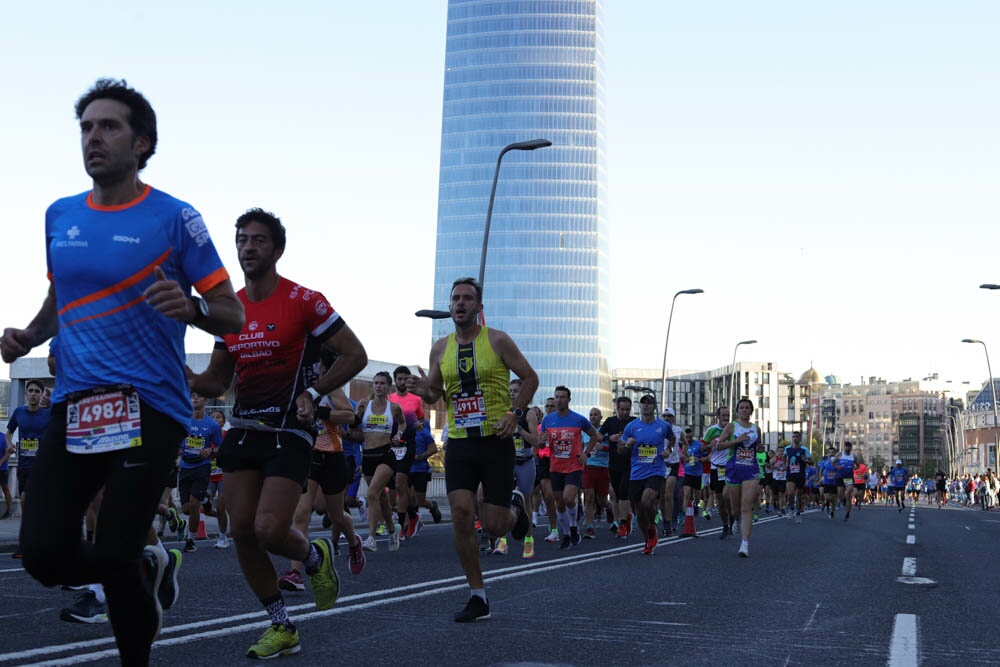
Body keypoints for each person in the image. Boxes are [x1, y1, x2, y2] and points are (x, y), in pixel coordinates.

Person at [0, 78, 245, 665]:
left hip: (150, 406)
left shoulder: (175, 218)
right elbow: (63, 294)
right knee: (40, 553)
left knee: (112, 551)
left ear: (142, 143)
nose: (93, 137)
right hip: (77, 404)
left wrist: (192, 309)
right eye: (86, 127)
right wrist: (32, 335)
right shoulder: (59, 215)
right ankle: (145, 562)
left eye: (108, 126)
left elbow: (232, 314)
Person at [188, 207, 366, 659]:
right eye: (243, 240)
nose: (249, 247)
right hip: (244, 430)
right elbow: (215, 380)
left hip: (289, 430)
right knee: (243, 532)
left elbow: (355, 354)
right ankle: (281, 625)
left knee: (269, 529)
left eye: (259, 240)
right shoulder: (230, 310)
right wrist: (179, 377)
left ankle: (313, 557)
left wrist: (314, 389)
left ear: (277, 249)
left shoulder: (304, 300)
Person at [407, 277, 536, 623]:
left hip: (495, 440)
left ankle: (515, 509)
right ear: (450, 307)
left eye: (467, 298)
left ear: (479, 307)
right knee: (462, 513)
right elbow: (435, 394)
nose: (460, 303)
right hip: (461, 442)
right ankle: (477, 595)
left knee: (494, 526)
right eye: (455, 299)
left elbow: (530, 378)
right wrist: (424, 390)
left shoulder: (497, 340)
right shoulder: (440, 348)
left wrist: (515, 413)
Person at [541, 386, 602, 550]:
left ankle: (573, 525)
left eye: (562, 397)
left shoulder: (578, 419)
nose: (559, 400)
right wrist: (541, 440)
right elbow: (540, 443)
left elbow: (594, 435)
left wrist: (586, 454)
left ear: (569, 399)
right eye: (556, 397)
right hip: (555, 467)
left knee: (568, 499)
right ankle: (567, 534)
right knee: (559, 503)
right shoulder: (548, 420)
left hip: (574, 466)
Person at [357, 372, 405, 552]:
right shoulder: (364, 405)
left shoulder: (394, 408)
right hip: (367, 455)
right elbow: (354, 426)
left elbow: (402, 424)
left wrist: (399, 434)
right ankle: (393, 530)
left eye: (382, 383)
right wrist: (357, 413)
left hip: (385, 454)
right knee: (381, 498)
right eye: (375, 383)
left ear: (388, 387)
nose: (378, 386)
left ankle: (371, 538)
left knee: (371, 493)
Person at [619, 394, 670, 555]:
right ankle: (649, 536)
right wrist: (627, 445)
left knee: (647, 501)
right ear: (639, 406)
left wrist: (669, 450)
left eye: (649, 403)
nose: (646, 406)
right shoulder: (632, 427)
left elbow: (674, 439)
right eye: (643, 403)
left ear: (654, 407)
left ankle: (651, 527)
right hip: (636, 473)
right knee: (639, 511)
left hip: (656, 470)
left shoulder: (663, 426)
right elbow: (620, 450)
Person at [5, 379, 51, 557]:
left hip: (43, 464)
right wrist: (9, 445)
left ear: (40, 395)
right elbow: (9, 432)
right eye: (30, 391)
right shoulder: (18, 412)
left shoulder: (48, 412)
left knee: (26, 499)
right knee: (29, 504)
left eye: (36, 391)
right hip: (24, 463)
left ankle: (28, 543)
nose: (33, 394)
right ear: (26, 394)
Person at [712, 398, 761, 557]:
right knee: (735, 509)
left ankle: (745, 543)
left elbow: (757, 446)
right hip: (734, 469)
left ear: (751, 411)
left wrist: (760, 447)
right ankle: (737, 520)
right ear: (738, 410)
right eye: (742, 408)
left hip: (751, 470)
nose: (745, 410)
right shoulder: (732, 426)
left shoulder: (756, 428)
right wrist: (737, 440)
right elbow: (719, 445)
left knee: (746, 506)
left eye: (747, 408)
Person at [177, 392, 222, 553]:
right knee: (187, 509)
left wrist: (210, 449)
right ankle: (206, 502)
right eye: (192, 396)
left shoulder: (212, 425)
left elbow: (219, 447)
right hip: (185, 466)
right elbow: (177, 441)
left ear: (205, 400)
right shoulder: (183, 420)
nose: (195, 398)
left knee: (194, 505)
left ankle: (190, 540)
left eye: (198, 396)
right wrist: (179, 449)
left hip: (202, 467)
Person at [389, 366, 425, 539]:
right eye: (400, 379)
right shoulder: (389, 399)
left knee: (400, 484)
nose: (402, 382)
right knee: (391, 489)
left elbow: (422, 420)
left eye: (405, 379)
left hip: (408, 445)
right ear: (395, 380)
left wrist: (420, 425)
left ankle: (400, 528)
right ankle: (413, 516)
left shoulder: (416, 399)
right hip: (389, 446)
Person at [601, 396, 636, 539]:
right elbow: (597, 436)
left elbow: (642, 436)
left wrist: (631, 441)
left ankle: (622, 524)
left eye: (627, 409)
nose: (625, 412)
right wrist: (610, 438)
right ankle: (627, 516)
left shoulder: (634, 422)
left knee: (623, 492)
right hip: (614, 463)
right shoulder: (610, 421)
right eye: (622, 409)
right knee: (616, 493)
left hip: (630, 463)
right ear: (617, 409)